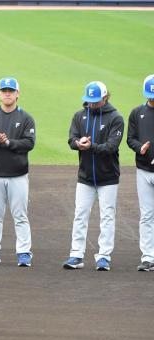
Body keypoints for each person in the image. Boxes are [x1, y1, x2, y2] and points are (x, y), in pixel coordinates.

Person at [63, 81, 124, 271]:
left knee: (107, 217)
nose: (91, 104)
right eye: (89, 101)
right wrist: (78, 143)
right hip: (85, 176)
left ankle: (104, 256)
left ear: (105, 98)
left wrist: (90, 146)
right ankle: (76, 255)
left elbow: (111, 147)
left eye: (95, 101)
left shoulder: (115, 118)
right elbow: (71, 139)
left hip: (108, 177)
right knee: (80, 215)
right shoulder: (79, 116)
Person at [0, 77, 37, 267]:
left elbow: (29, 143)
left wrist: (8, 142)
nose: (7, 94)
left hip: (18, 175)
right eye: (4, 91)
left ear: (18, 94)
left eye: (11, 91)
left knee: (20, 216)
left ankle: (24, 253)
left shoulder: (25, 118)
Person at [128, 74, 154, 272]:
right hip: (143, 171)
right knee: (146, 215)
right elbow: (130, 139)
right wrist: (140, 148)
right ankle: (148, 257)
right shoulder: (137, 113)